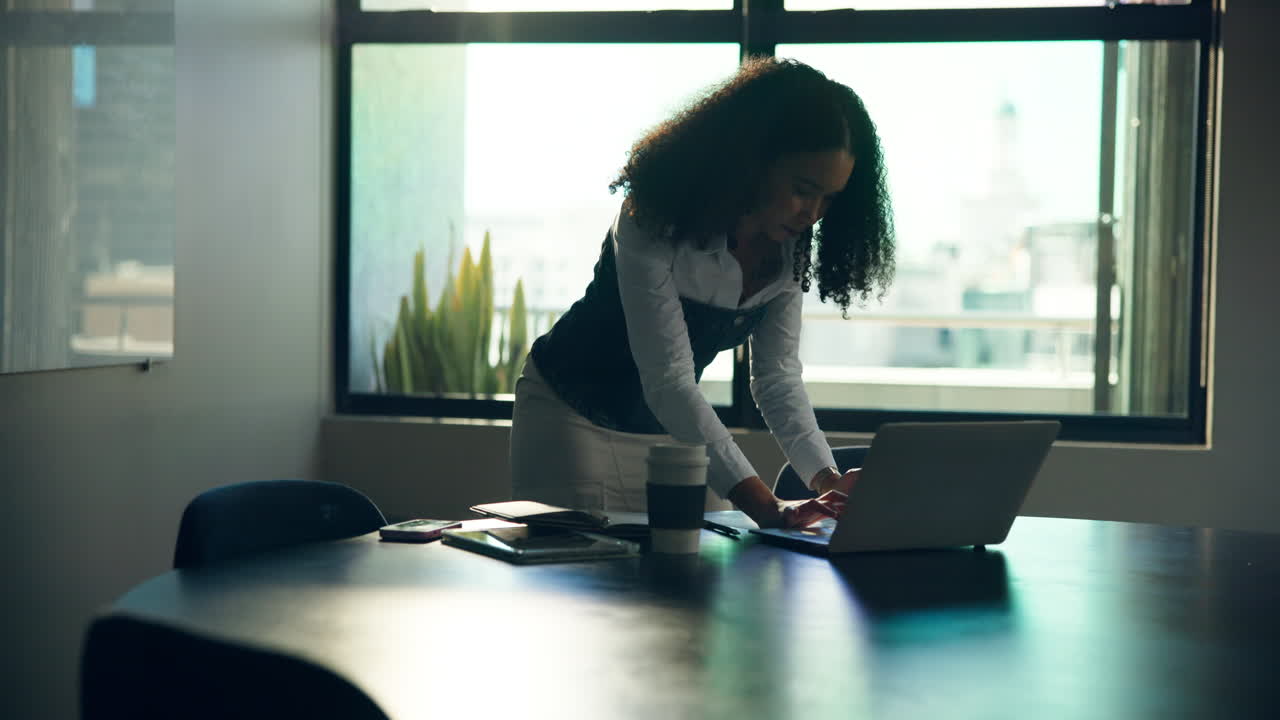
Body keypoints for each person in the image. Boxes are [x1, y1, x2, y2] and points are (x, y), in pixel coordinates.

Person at [509, 56, 895, 529]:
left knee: (696, 586)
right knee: (594, 586)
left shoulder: (789, 246)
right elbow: (669, 381)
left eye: (830, 198)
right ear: (753, 160)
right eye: (802, 188)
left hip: (674, 434)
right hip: (573, 420)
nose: (812, 212)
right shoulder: (651, 219)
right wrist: (764, 505)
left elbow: (776, 379)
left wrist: (824, 478)